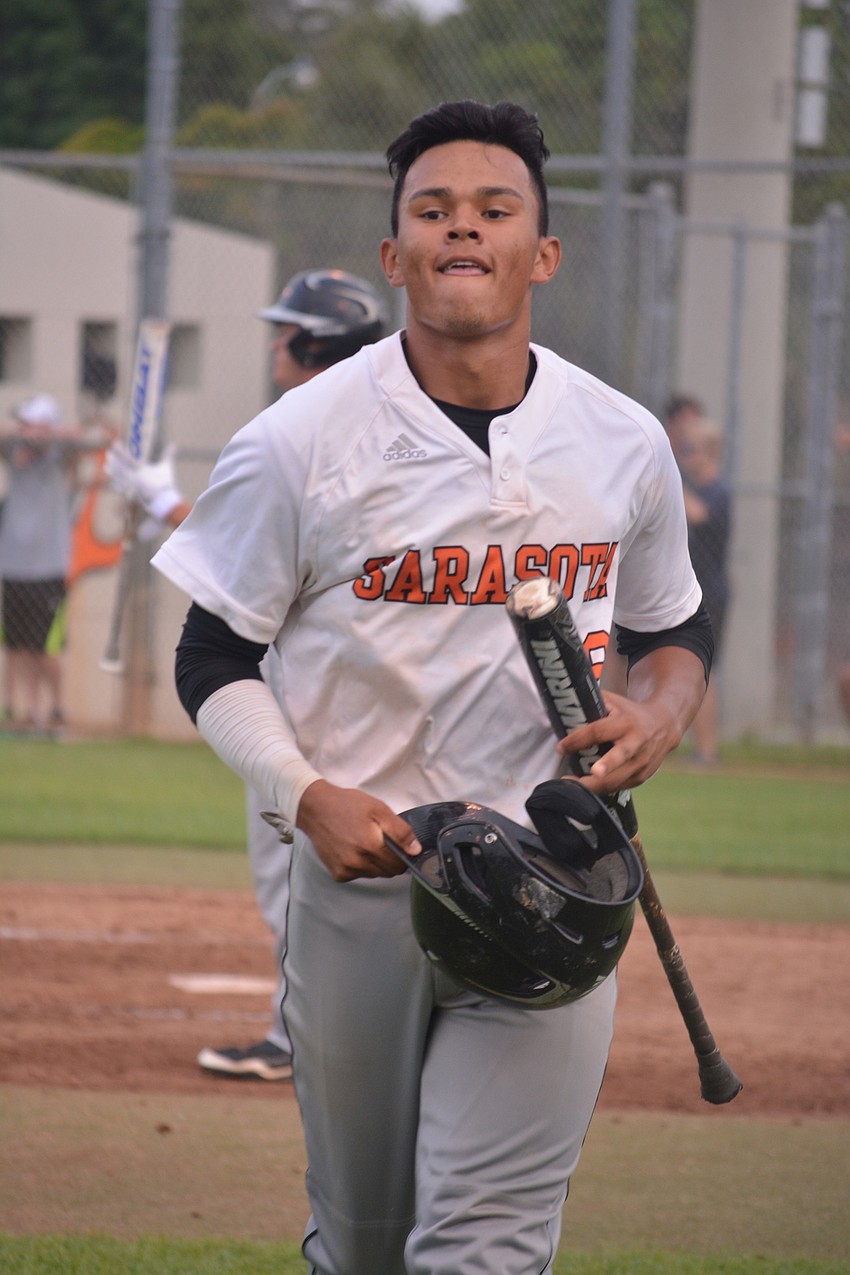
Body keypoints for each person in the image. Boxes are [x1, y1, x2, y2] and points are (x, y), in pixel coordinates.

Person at [152, 100, 712, 1275]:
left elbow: (673, 629)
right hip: (368, 880)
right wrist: (306, 793)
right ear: (394, 253)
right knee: (362, 1245)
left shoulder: (620, 439)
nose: (465, 228)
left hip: (558, 881)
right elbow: (211, 656)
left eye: (495, 210)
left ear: (541, 254)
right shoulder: (300, 440)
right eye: (434, 210)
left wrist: (658, 713)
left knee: (483, 1246)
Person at [107, 270, 387, 1081]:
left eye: (287, 332)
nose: (275, 346)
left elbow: (248, 565)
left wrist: (161, 502)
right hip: (354, 683)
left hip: (298, 695)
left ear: (315, 345)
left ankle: (297, 1036)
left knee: (292, 876)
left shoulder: (299, 431)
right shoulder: (373, 423)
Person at [0, 393, 97, 733]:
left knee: (47, 647)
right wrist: (23, 438)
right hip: (12, 565)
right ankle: (20, 710)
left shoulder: (60, 456)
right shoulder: (14, 450)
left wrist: (45, 438)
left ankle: (56, 710)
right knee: (16, 644)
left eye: (32, 423)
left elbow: (81, 440)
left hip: (49, 568)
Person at [679, 415, 731, 765]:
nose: (685, 456)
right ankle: (702, 748)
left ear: (709, 452)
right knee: (695, 669)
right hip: (698, 588)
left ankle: (707, 750)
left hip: (712, 590)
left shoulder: (717, 491)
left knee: (704, 670)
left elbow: (699, 515)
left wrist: (666, 478)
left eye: (690, 450)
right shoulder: (699, 489)